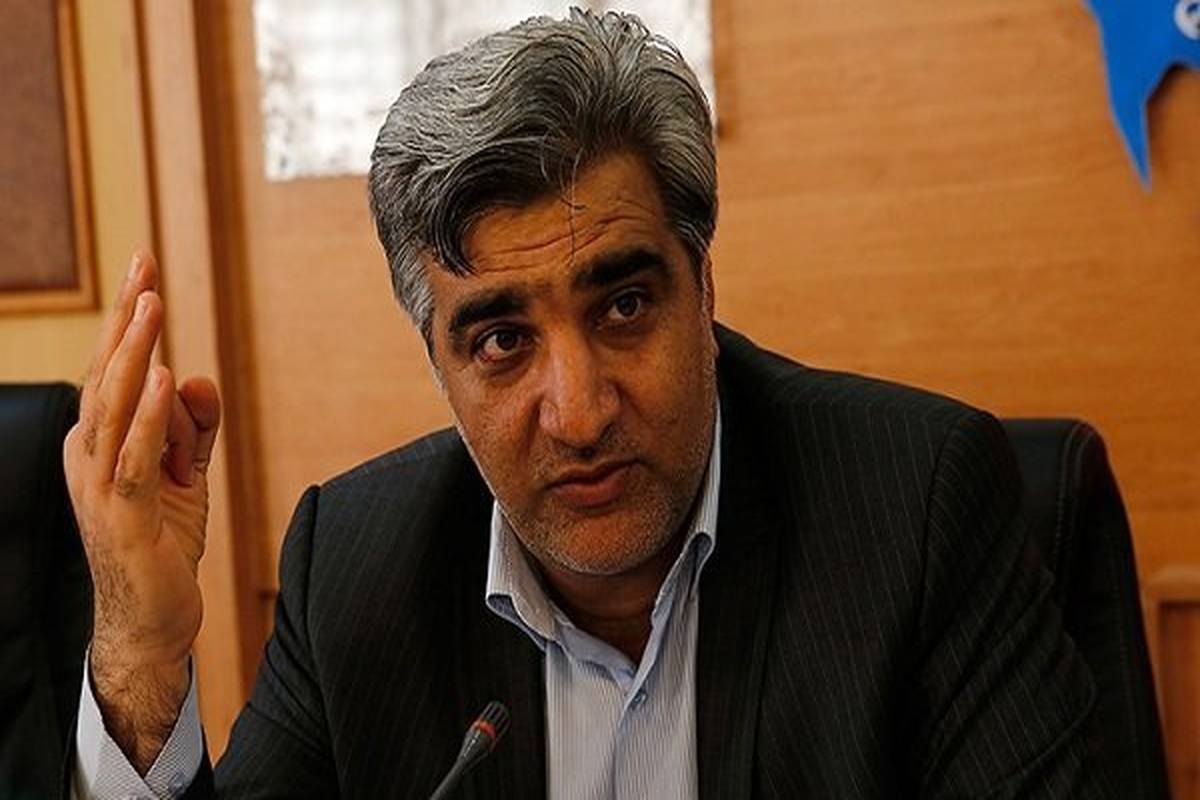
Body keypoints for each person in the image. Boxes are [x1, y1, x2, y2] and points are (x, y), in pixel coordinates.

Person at [66, 9, 1110, 798]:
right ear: (436, 362)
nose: (577, 412)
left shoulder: (916, 510)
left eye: (623, 305)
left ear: (704, 290)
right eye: (502, 341)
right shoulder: (356, 565)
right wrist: (140, 656)